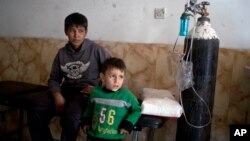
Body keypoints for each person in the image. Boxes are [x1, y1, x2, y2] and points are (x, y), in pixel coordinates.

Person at [27, 12, 111, 141]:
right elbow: (54, 79)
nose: (76, 35)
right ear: (66, 31)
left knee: (72, 113)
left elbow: (111, 73)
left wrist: (98, 90)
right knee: (36, 107)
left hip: (86, 93)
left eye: (80, 31)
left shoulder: (96, 50)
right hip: (66, 90)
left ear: (86, 32)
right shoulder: (62, 53)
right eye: (72, 30)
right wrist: (57, 95)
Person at [81, 57, 141, 141]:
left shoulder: (126, 95)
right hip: (93, 135)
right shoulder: (95, 92)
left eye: (121, 77)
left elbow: (137, 110)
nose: (117, 81)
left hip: (114, 137)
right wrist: (86, 121)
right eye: (113, 76)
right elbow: (89, 108)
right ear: (102, 77)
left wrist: (128, 123)